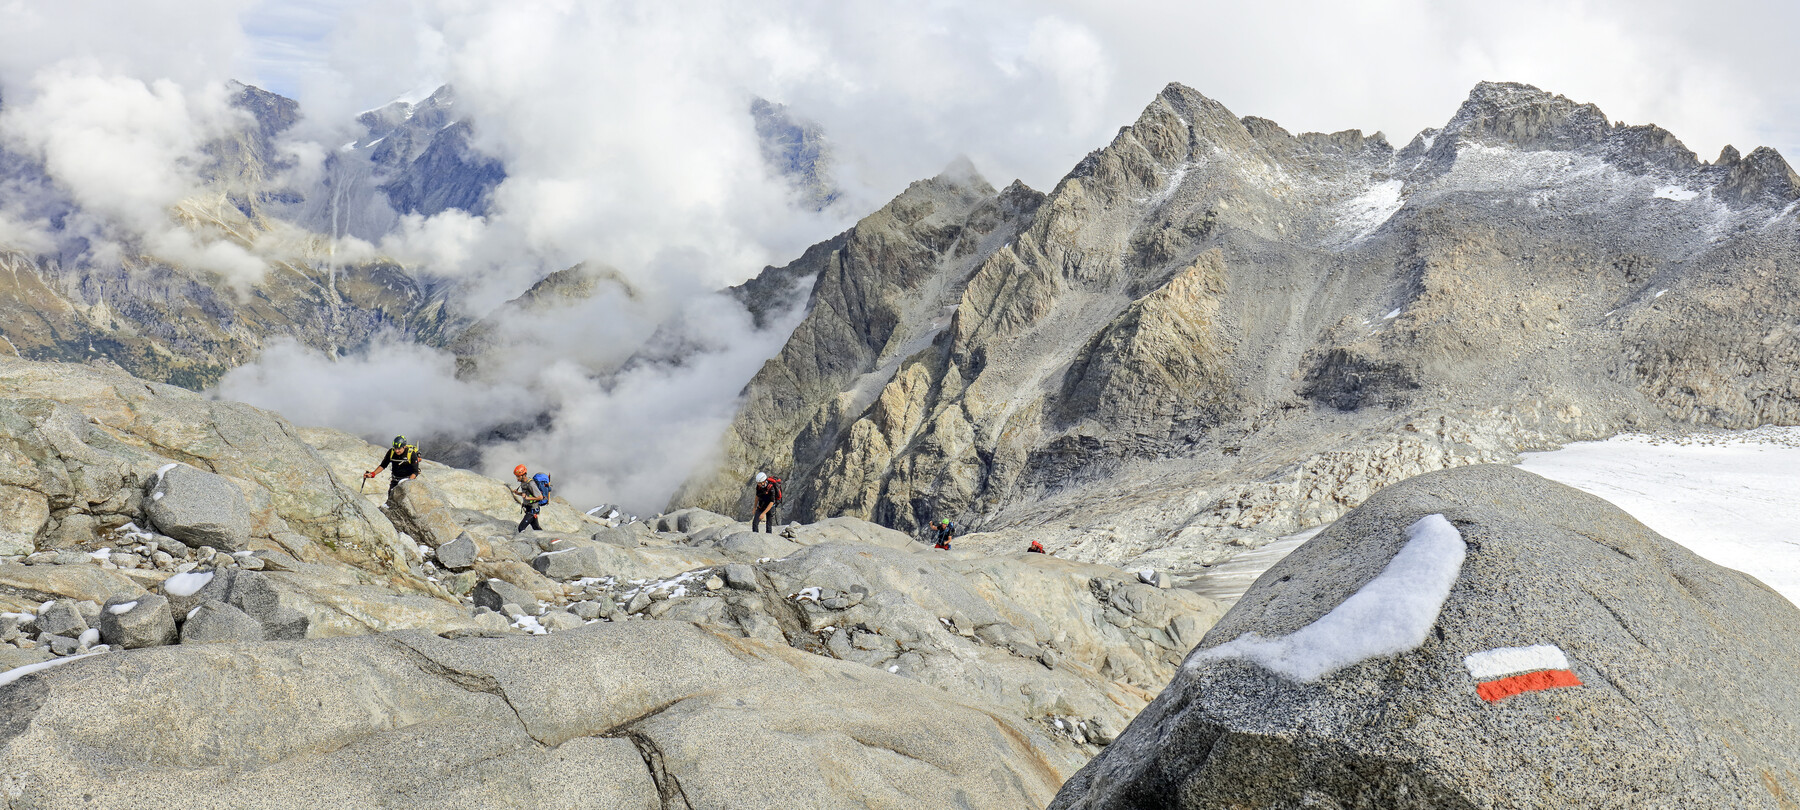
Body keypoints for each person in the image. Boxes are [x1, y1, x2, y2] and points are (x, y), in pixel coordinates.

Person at [511, 464, 546, 533]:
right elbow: (526, 494)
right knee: (536, 528)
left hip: (533, 510)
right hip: (529, 509)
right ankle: (546, 537)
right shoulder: (523, 483)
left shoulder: (531, 484)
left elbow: (540, 497)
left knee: (521, 528)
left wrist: (527, 498)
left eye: (518, 476)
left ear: (523, 475)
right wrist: (518, 493)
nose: (517, 478)